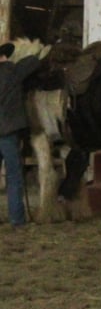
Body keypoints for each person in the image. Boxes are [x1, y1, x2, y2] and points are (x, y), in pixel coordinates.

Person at [0, 42, 41, 227]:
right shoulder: (12, 72)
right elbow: (34, 61)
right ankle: (16, 219)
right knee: (14, 175)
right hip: (8, 132)